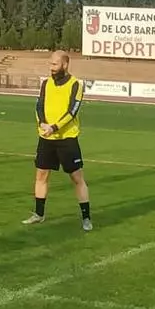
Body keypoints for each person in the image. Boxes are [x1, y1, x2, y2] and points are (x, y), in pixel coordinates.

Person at [23, 50, 92, 231]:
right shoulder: (46, 83)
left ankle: (86, 217)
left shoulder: (75, 84)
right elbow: (39, 106)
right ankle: (39, 214)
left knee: (77, 178)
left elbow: (72, 112)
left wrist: (54, 127)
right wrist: (43, 124)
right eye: (50, 64)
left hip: (67, 139)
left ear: (65, 64)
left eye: (54, 64)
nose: (51, 67)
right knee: (41, 176)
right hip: (46, 137)